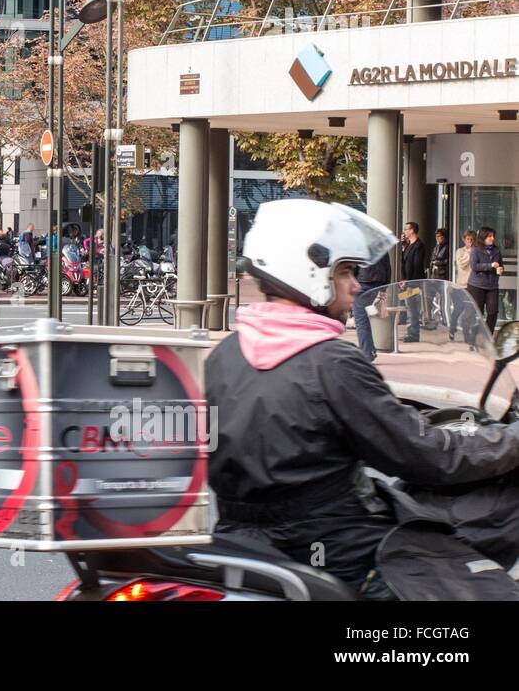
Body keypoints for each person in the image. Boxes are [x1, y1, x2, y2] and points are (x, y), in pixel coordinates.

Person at [208, 199, 519, 597]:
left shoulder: (226, 355)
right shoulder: (330, 361)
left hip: (244, 543)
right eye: (346, 272)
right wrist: (510, 441)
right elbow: (428, 456)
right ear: (308, 272)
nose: (356, 285)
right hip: (337, 547)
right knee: (480, 587)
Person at [352, 249, 391, 362]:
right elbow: (388, 267)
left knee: (361, 319)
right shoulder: (380, 244)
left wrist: (352, 281)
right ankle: (370, 351)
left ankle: (366, 353)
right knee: (366, 318)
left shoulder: (359, 244)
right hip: (379, 283)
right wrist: (384, 288)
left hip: (363, 283)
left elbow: (354, 266)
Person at [469, 226, 504, 332]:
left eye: (493, 236)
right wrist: (490, 265)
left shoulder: (497, 250)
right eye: (489, 236)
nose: (492, 238)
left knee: (493, 312)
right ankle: (474, 338)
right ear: (483, 237)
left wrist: (501, 270)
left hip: (492, 286)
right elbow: (474, 266)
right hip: (477, 286)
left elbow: (500, 265)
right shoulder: (475, 249)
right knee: (477, 314)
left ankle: (488, 336)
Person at [399, 221, 427, 343]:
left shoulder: (419, 246)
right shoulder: (409, 245)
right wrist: (403, 246)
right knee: (406, 305)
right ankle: (410, 331)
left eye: (406, 229)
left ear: (412, 231)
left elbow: (416, 266)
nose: (404, 232)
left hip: (413, 283)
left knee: (411, 308)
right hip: (407, 282)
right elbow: (404, 263)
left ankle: (414, 334)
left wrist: (408, 281)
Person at [450, 230, 478, 341]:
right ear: (464, 239)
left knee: (470, 311)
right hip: (460, 286)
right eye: (468, 239)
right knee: (458, 309)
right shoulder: (460, 251)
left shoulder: (477, 251)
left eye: (472, 239)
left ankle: (468, 336)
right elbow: (461, 264)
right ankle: (452, 329)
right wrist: (469, 253)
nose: (470, 241)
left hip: (473, 285)